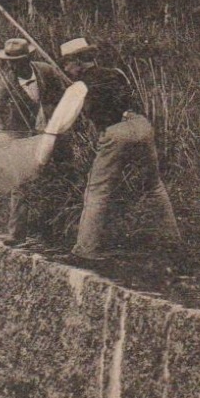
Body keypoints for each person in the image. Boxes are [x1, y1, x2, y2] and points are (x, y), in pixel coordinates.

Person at [59, 38, 180, 260]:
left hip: (115, 132)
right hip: (142, 125)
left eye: (66, 63)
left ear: (77, 61)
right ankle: (172, 240)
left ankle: (85, 249)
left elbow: (64, 122)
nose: (65, 69)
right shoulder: (116, 73)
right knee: (154, 185)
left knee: (97, 191)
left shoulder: (79, 86)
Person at [0, 37, 70, 245]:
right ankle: (17, 233)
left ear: (29, 58)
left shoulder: (46, 70)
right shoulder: (7, 82)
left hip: (52, 132)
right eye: (10, 62)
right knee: (20, 182)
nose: (14, 66)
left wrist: (57, 118)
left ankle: (56, 231)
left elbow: (65, 96)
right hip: (23, 136)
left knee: (60, 176)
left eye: (19, 61)